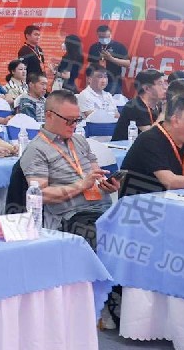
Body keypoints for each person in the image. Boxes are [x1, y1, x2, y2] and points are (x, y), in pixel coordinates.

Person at [18, 89, 113, 240]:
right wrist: (81, 185)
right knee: (111, 238)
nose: (74, 125)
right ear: (49, 115)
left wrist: (107, 185)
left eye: (77, 120)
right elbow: (41, 195)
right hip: (74, 215)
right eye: (69, 120)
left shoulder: (79, 141)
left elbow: (97, 175)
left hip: (105, 208)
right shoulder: (36, 149)